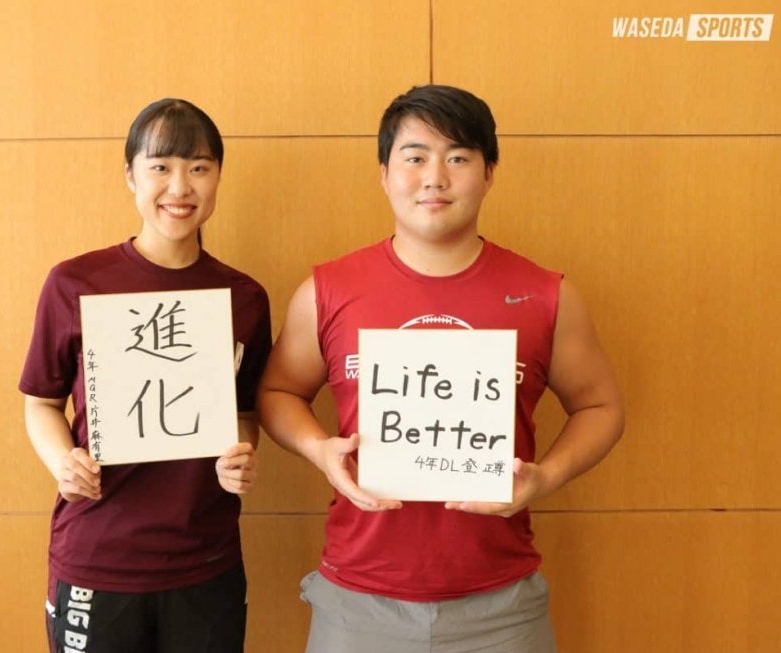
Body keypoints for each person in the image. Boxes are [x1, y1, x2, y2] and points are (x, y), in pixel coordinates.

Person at [257, 85, 624, 652]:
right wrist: (318, 450)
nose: (435, 177)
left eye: (457, 157)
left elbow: (600, 406)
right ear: (385, 174)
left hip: (500, 605)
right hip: (357, 599)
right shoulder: (328, 291)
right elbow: (279, 390)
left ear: (489, 173)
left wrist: (545, 477)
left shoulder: (544, 295)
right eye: (415, 157)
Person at [20, 98, 271, 653]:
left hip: (205, 558)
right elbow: (41, 402)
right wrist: (62, 461)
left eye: (199, 168)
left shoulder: (244, 297)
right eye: (160, 167)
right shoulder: (75, 282)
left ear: (218, 177)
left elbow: (245, 412)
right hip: (98, 553)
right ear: (131, 175)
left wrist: (242, 453)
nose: (180, 187)